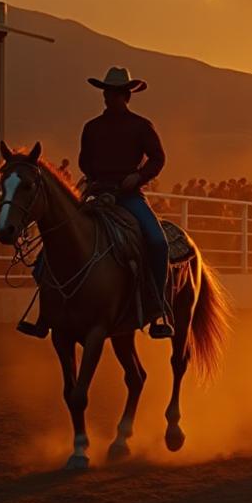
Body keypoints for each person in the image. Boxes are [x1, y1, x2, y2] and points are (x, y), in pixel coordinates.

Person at [77, 66, 173, 338]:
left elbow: (158, 159)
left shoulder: (141, 126)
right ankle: (48, 299)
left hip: (129, 195)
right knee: (61, 227)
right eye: (108, 92)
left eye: (115, 92)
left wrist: (139, 176)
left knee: (158, 242)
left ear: (126, 96)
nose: (109, 96)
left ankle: (157, 306)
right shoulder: (92, 127)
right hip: (98, 192)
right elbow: (84, 161)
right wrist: (94, 179)